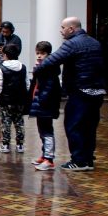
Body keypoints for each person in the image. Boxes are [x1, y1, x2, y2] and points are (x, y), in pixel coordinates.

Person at [33, 17, 105, 172]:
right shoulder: (94, 42)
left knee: (74, 125)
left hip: (80, 91)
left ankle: (78, 161)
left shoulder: (72, 43)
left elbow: (52, 60)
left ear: (71, 29)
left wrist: (37, 69)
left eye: (63, 27)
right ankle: (88, 159)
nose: (61, 30)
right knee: (90, 126)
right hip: (97, 91)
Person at [28, 41, 62, 171]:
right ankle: (44, 155)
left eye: (42, 54)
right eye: (37, 53)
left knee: (47, 131)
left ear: (48, 54)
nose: (39, 56)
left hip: (45, 104)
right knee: (42, 130)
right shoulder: (43, 68)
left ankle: (49, 159)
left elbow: (48, 89)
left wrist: (42, 101)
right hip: (40, 104)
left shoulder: (49, 70)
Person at [0, 43, 27, 153]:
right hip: (20, 100)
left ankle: (5, 145)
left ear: (5, 55)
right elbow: (26, 84)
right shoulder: (23, 67)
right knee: (19, 123)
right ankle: (20, 145)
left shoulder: (1, 68)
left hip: (6, 101)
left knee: (6, 122)